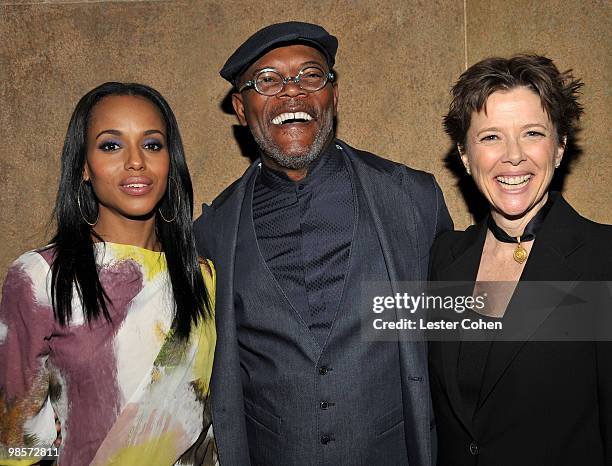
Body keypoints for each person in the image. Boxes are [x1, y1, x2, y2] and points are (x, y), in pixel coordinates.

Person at [194, 21, 452, 465]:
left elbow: (463, 334)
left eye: (310, 75)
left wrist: (576, 310)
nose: (292, 92)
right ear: (241, 107)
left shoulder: (413, 199)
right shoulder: (211, 235)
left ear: (333, 94)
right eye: (268, 80)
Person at [0, 82, 217, 466]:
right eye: (111, 145)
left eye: (152, 145)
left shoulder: (202, 278)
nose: (136, 161)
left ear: (170, 161)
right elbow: (15, 445)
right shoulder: (39, 279)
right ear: (84, 165)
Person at [428, 55, 612, 465]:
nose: (513, 156)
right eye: (490, 137)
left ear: (560, 146)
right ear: (463, 154)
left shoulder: (603, 260)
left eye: (532, 133)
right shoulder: (443, 259)